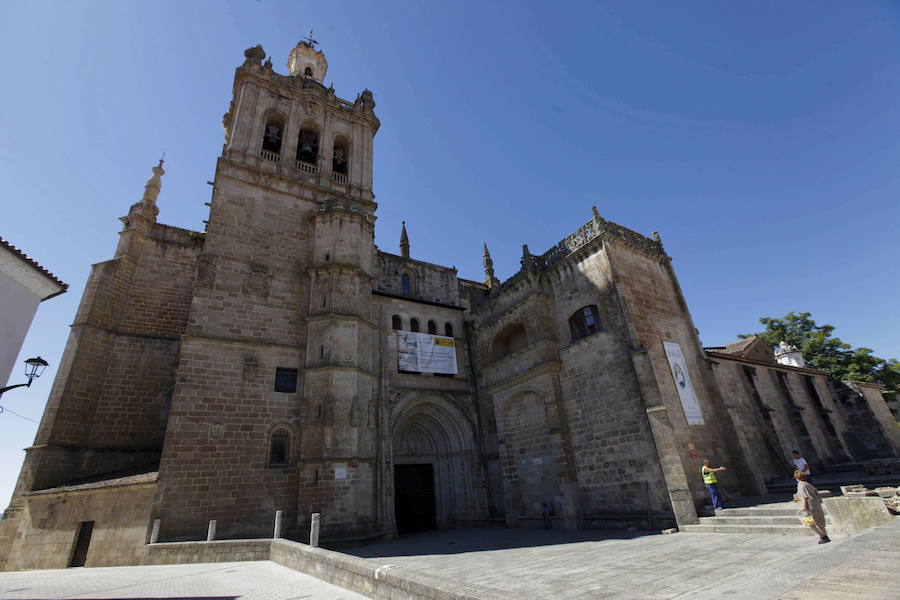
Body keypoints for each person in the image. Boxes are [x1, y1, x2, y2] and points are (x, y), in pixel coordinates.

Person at [795, 470, 830, 544]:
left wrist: (804, 507)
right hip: (816, 504)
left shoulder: (801, 485)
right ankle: (825, 536)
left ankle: (822, 536)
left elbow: (805, 497)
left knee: (810, 523)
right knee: (819, 522)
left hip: (809, 506)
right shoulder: (808, 484)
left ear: (796, 478)